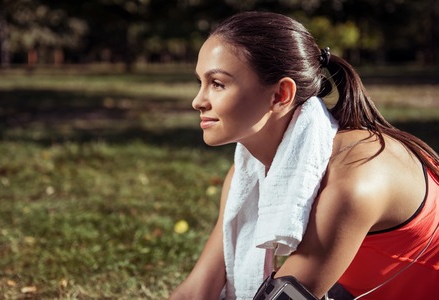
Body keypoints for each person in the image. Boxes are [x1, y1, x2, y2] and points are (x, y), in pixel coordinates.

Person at [169, 11, 439, 300]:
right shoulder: (247, 172)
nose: (198, 101)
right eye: (200, 82)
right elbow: (200, 287)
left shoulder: (353, 180)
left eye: (218, 84)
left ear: (280, 95)